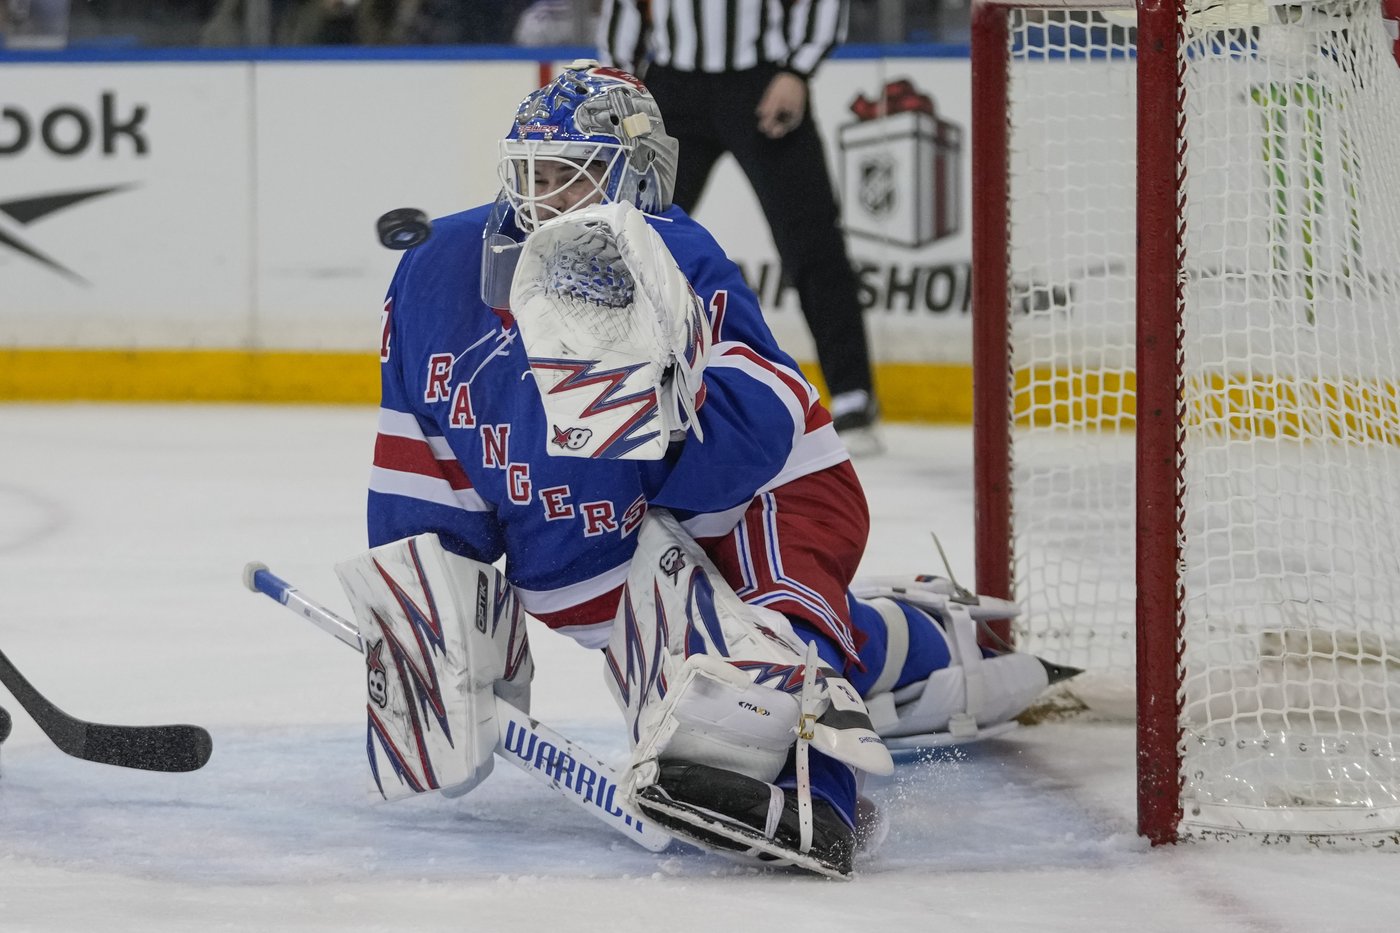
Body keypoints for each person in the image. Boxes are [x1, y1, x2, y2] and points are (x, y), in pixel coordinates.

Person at [364, 61, 1061, 877]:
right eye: (532, 174)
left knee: (755, 675)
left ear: (634, 178)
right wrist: (428, 616)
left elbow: (763, 419)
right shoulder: (434, 273)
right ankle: (919, 635)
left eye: (570, 177)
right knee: (718, 701)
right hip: (598, 556)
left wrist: (655, 405)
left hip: (757, 500)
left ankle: (820, 798)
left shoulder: (677, 255)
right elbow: (424, 466)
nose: (542, 200)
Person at [597, 0, 881, 435]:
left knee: (811, 239)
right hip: (671, 87)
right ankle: (610, 379)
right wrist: (621, 84)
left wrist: (797, 70)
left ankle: (851, 391)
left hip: (764, 79)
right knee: (632, 237)